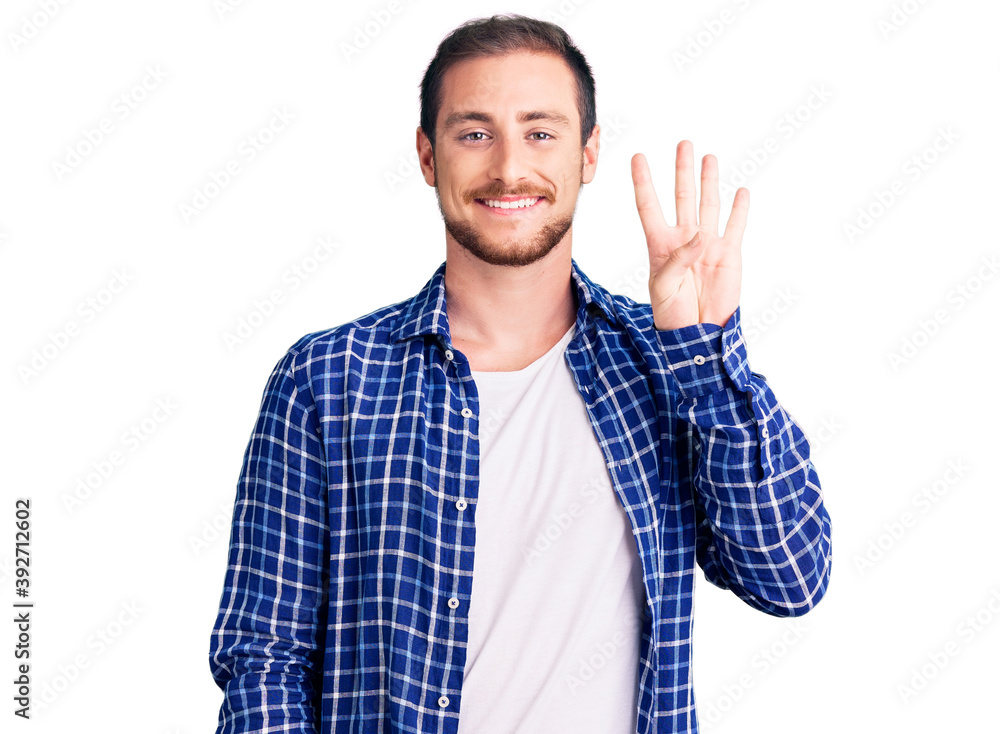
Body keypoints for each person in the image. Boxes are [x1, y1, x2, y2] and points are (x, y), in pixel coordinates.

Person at [208, 13, 831, 734]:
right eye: (475, 133)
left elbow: (789, 576)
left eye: (541, 132)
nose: (509, 168)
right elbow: (265, 660)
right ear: (427, 155)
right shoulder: (328, 380)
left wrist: (705, 350)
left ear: (588, 153)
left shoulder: (665, 362)